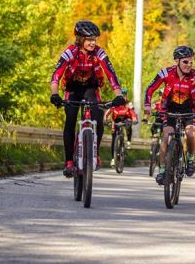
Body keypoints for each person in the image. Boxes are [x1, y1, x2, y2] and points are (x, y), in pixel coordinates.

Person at [50, 20, 124, 177]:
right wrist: (54, 94)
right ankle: (69, 162)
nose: (92, 42)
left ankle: (94, 153)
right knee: (70, 120)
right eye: (89, 39)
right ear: (80, 39)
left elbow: (111, 74)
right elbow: (56, 74)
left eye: (94, 39)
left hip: (91, 88)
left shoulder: (99, 53)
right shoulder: (70, 52)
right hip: (72, 88)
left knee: (98, 117)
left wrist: (118, 95)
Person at [144, 46, 195, 185]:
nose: (189, 65)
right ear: (177, 61)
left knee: (191, 134)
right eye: (185, 62)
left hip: (189, 111)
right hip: (168, 110)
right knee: (166, 137)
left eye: (191, 62)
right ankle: (163, 170)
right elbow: (150, 89)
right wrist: (147, 104)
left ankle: (190, 158)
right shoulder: (165, 73)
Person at [104, 87, 138, 166]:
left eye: (125, 95)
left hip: (125, 119)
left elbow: (132, 112)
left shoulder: (128, 104)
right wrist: (105, 120)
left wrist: (134, 119)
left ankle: (128, 141)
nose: (123, 96)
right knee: (113, 139)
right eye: (122, 95)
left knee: (129, 125)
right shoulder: (115, 103)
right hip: (115, 120)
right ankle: (113, 158)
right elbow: (108, 112)